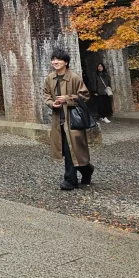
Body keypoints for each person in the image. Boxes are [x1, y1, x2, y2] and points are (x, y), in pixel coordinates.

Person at [43, 48, 93, 190]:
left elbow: (85, 96)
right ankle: (86, 171)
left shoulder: (75, 77)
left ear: (65, 62)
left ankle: (71, 181)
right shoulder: (49, 78)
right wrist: (51, 103)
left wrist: (68, 99)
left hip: (73, 120)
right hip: (59, 119)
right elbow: (46, 95)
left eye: (58, 59)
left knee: (73, 150)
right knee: (66, 150)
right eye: (53, 59)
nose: (55, 62)